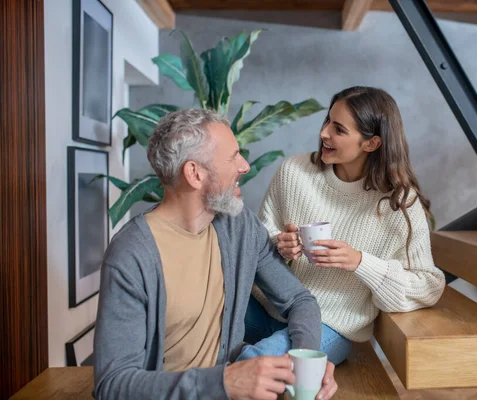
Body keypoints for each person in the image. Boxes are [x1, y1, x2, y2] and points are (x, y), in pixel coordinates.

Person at [93, 109, 337, 399]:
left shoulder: (240, 227)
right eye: (233, 157)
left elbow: (299, 300)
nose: (245, 166)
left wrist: (307, 360)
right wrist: (223, 382)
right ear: (195, 174)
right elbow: (112, 385)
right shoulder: (131, 255)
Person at [245, 86, 446, 365]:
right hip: (268, 308)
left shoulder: (399, 204)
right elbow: (256, 242)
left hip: (331, 325)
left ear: (371, 143)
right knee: (193, 310)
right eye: (327, 121)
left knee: (255, 362)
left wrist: (360, 263)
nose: (324, 133)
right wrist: (279, 245)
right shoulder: (295, 172)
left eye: (338, 129)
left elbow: (429, 285)